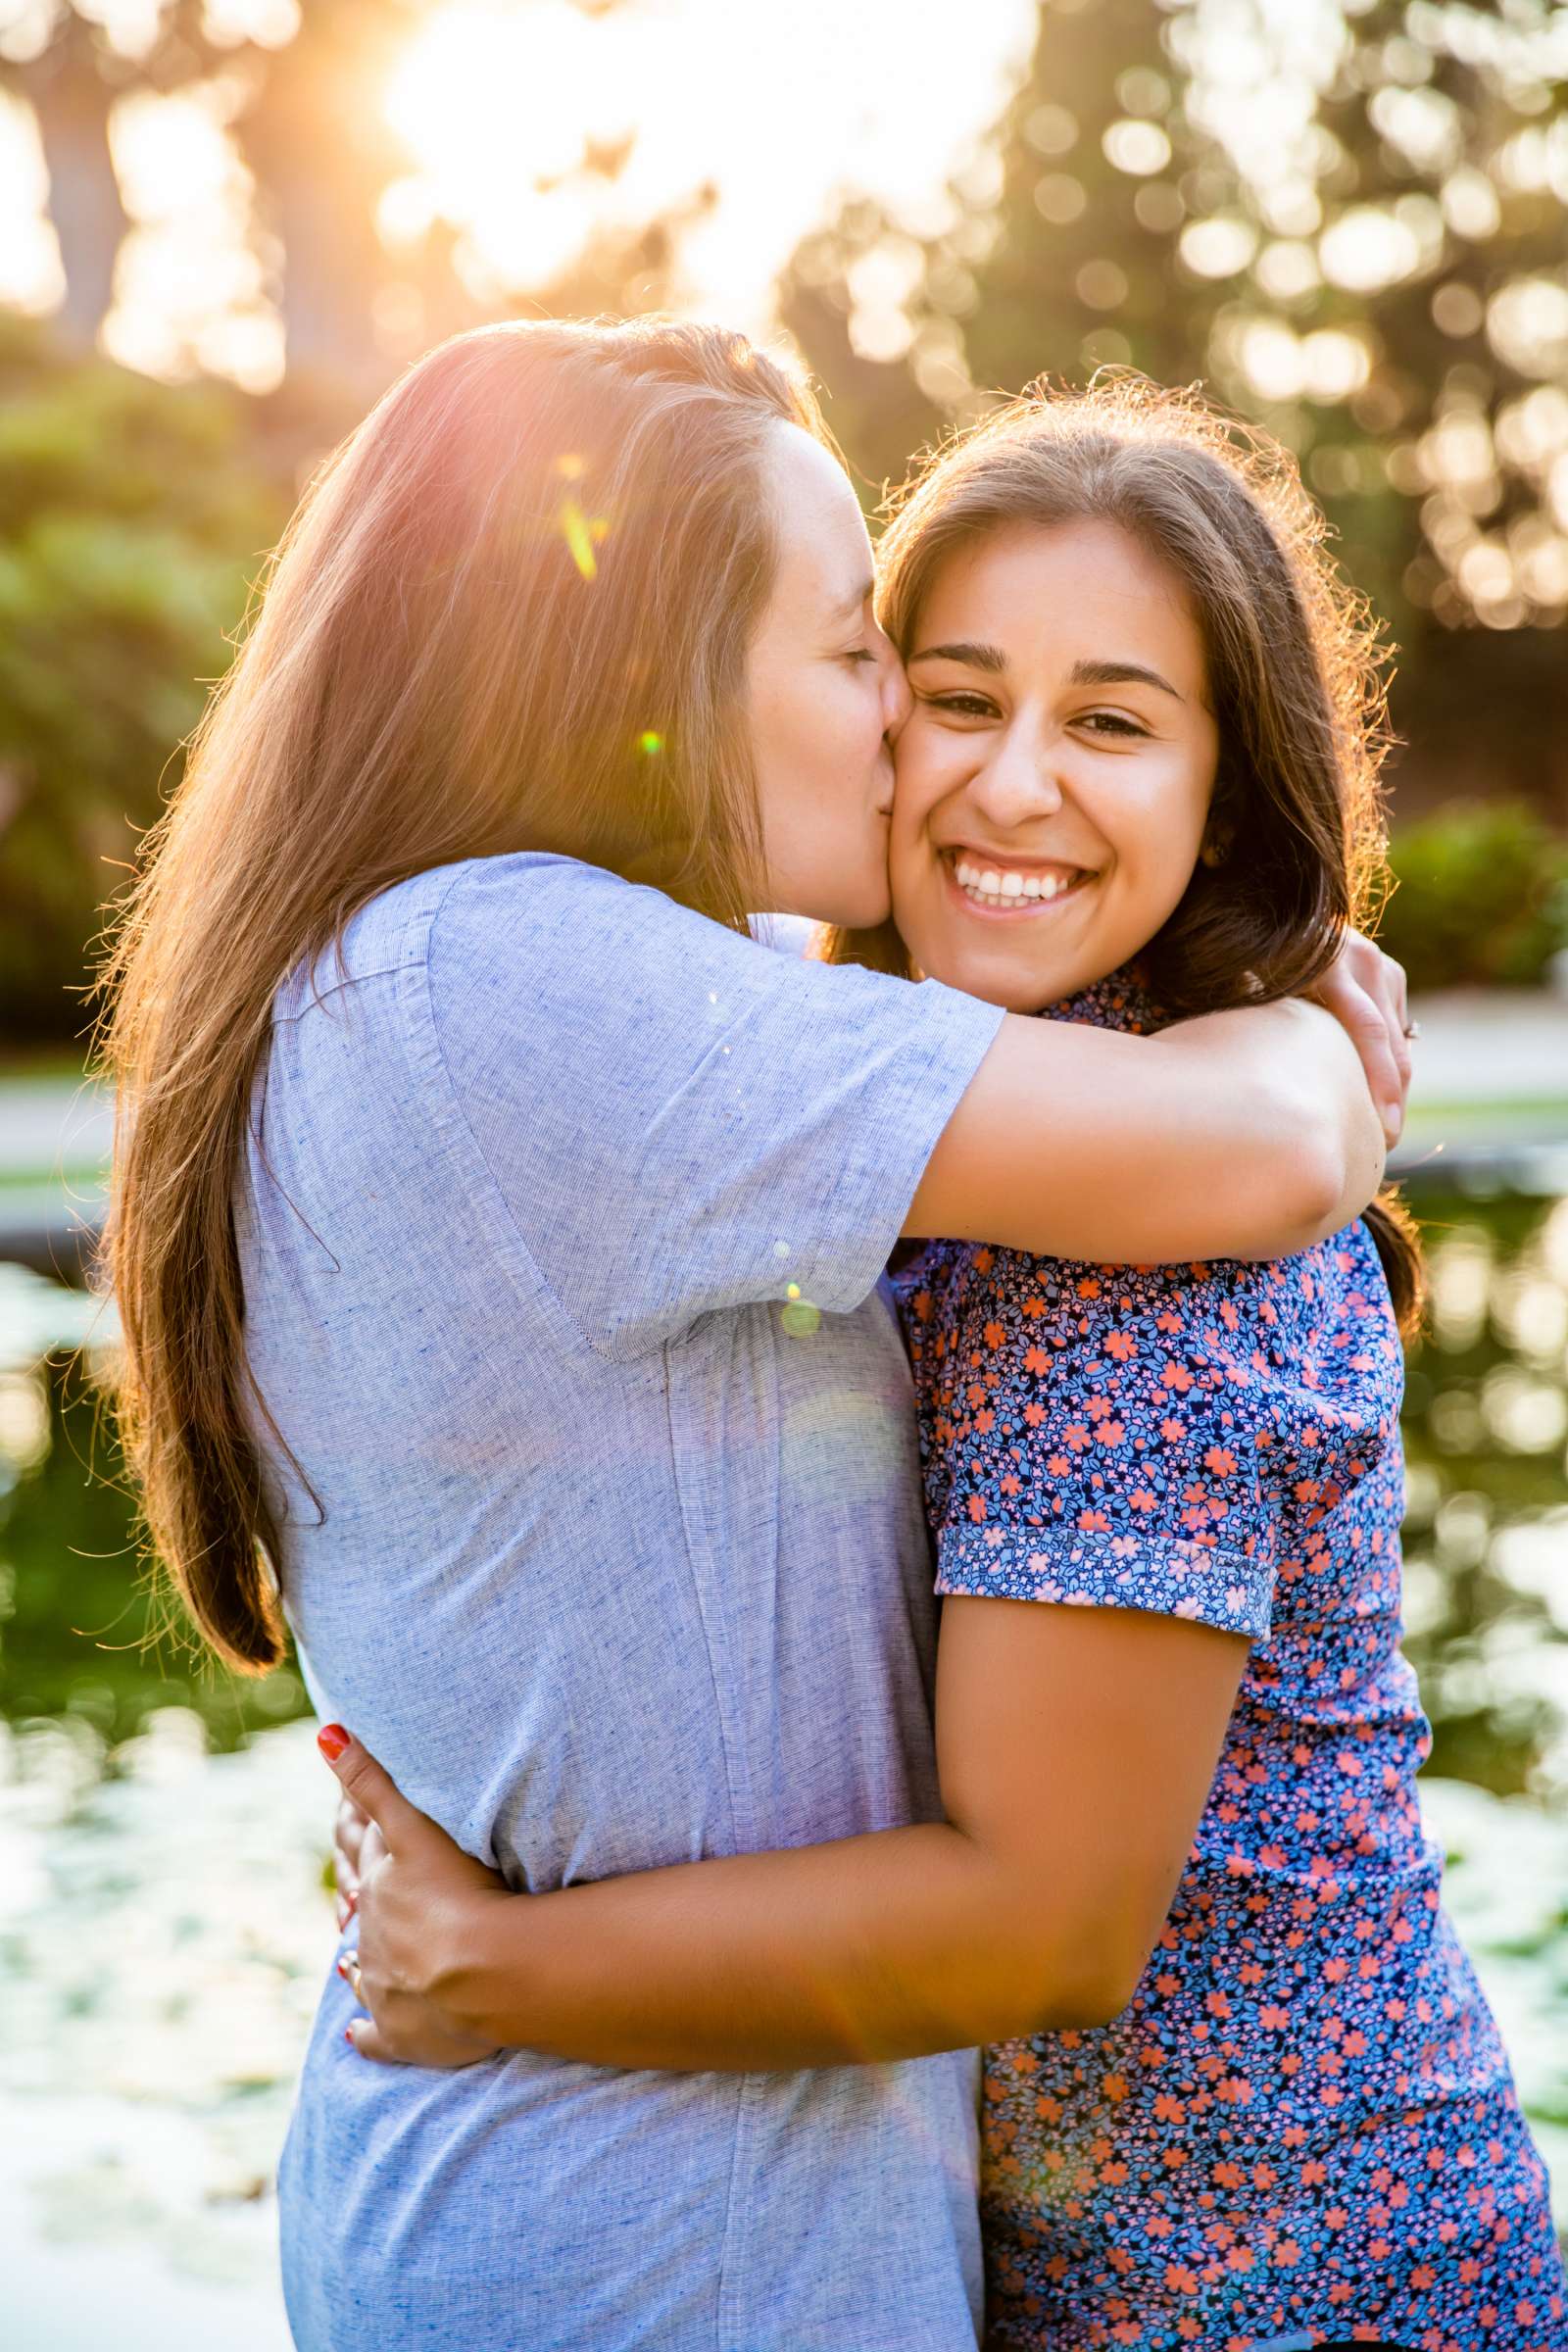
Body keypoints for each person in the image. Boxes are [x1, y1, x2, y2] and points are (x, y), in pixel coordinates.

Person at [96, 320, 1406, 2352]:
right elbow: (1240, 1145)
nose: (912, 731)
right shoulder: (520, 985)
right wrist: (1316, 1031)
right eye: (867, 654)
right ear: (642, 679)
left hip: (611, 2209)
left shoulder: (470, 974)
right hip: (653, 2257)